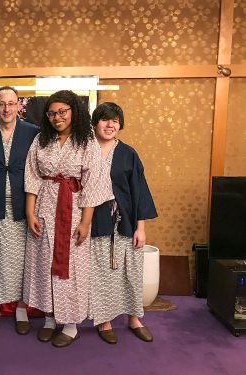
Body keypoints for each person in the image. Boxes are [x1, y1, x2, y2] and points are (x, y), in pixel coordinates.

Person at [23, 90, 112, 348]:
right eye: (52, 113)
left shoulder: (87, 142)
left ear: (74, 111)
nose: (57, 117)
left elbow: (93, 184)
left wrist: (85, 222)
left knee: (71, 267)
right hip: (43, 208)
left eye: (62, 111)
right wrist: (30, 211)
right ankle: (50, 319)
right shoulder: (42, 139)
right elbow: (32, 176)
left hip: (72, 210)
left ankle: (71, 324)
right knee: (44, 263)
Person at [89, 102, 158, 344]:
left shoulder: (129, 154)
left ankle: (134, 318)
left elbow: (140, 192)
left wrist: (141, 228)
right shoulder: (85, 150)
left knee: (131, 272)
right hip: (95, 222)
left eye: (115, 121)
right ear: (95, 122)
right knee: (100, 272)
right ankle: (104, 319)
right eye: (105, 119)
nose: (110, 125)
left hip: (126, 222)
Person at [0, 86, 39, 334]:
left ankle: (21, 308)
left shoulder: (33, 133)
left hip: (24, 205)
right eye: (2, 104)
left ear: (18, 106)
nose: (7, 109)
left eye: (11, 103)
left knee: (24, 260)